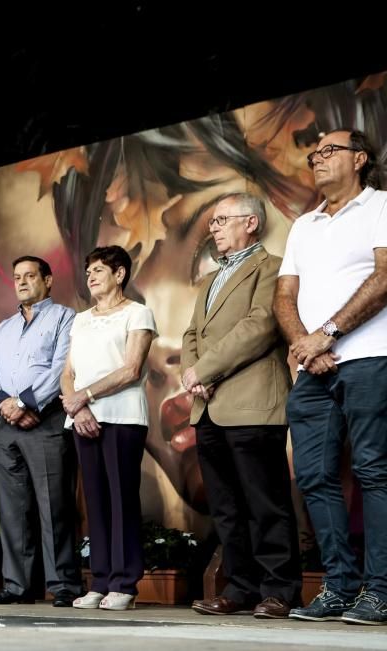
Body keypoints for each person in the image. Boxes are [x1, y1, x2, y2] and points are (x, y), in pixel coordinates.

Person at [275, 128, 387, 625]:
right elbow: (283, 296)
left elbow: (384, 277)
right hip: (313, 368)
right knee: (316, 477)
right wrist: (307, 345)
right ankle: (339, 587)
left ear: (359, 158)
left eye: (329, 151)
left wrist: (329, 333)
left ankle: (380, 591)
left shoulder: (381, 206)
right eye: (313, 154)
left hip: (369, 356)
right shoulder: (304, 225)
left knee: (373, 470)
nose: (317, 160)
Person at [180, 192, 299, 618]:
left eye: (221, 220)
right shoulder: (211, 279)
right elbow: (192, 334)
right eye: (212, 222)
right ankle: (241, 586)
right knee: (227, 508)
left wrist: (204, 371)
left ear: (251, 222)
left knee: (264, 502)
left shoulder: (272, 267)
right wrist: (194, 374)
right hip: (208, 408)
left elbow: (261, 326)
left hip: (252, 404)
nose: (213, 228)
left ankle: (279, 589)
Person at [0, 256, 83, 607]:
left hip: (46, 420)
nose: (22, 282)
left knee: (53, 504)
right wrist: (5, 406)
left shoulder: (65, 318)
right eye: (17, 276)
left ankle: (63, 584)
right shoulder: (3, 328)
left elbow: (61, 367)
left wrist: (24, 403)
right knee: (12, 508)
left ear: (49, 280)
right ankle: (17, 585)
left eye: (30, 276)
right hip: (7, 427)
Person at [60, 245, 156, 611]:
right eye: (88, 271)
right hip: (83, 418)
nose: (91, 276)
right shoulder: (81, 319)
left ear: (120, 274)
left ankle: (125, 582)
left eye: (99, 269)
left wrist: (83, 396)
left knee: (121, 500)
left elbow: (131, 369)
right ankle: (99, 581)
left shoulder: (137, 313)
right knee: (95, 503)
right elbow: (67, 373)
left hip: (123, 416)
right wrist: (77, 404)